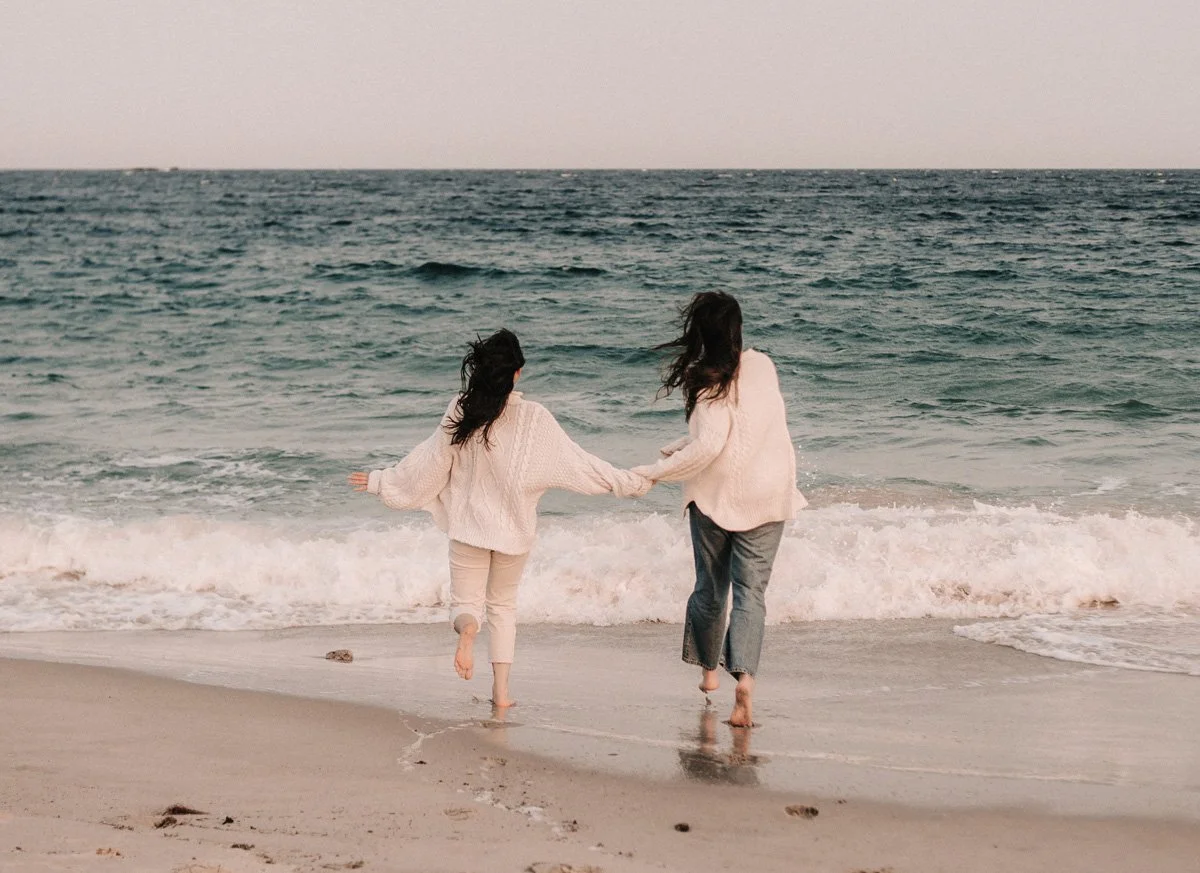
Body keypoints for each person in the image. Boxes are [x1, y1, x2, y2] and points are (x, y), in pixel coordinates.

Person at [349, 329, 649, 708]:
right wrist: (632, 482)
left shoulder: (461, 408)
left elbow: (429, 462)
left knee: (465, 605)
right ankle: (501, 694)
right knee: (503, 607)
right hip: (514, 535)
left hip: (469, 529)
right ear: (517, 373)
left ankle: (467, 634)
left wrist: (382, 480)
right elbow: (579, 464)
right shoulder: (535, 419)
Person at [633, 292, 806, 728]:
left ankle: (710, 672)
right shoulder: (764, 366)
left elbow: (712, 445)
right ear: (737, 329)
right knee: (752, 594)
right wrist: (680, 446)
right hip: (768, 493)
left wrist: (657, 471)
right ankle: (744, 680)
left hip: (716, 496)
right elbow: (746, 428)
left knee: (711, 589)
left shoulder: (705, 381)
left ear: (699, 334)